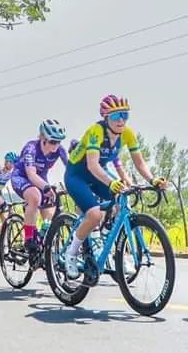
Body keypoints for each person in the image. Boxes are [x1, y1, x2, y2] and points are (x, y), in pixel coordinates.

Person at [64, 95, 165, 280]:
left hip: (96, 174)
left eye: (125, 115)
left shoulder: (128, 134)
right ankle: (70, 254)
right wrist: (111, 182)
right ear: (105, 117)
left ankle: (109, 248)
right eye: (116, 115)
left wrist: (153, 180)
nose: (121, 120)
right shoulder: (96, 131)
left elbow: (139, 163)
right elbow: (92, 165)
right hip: (77, 174)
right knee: (94, 214)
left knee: (119, 205)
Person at [11, 119, 68, 256]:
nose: (56, 145)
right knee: (35, 196)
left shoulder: (59, 150)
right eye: (52, 141)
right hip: (22, 177)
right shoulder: (30, 148)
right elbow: (31, 175)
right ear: (42, 137)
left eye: (59, 141)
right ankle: (29, 238)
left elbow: (71, 168)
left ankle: (42, 243)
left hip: (41, 179)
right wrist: (46, 188)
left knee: (48, 217)